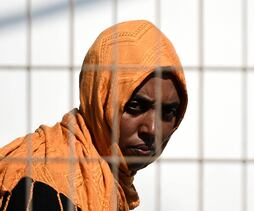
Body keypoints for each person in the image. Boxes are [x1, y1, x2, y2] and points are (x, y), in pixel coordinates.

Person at [0, 20, 188, 210]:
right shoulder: (44, 188)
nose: (152, 129)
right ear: (99, 99)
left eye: (168, 112)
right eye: (135, 106)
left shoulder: (112, 188)